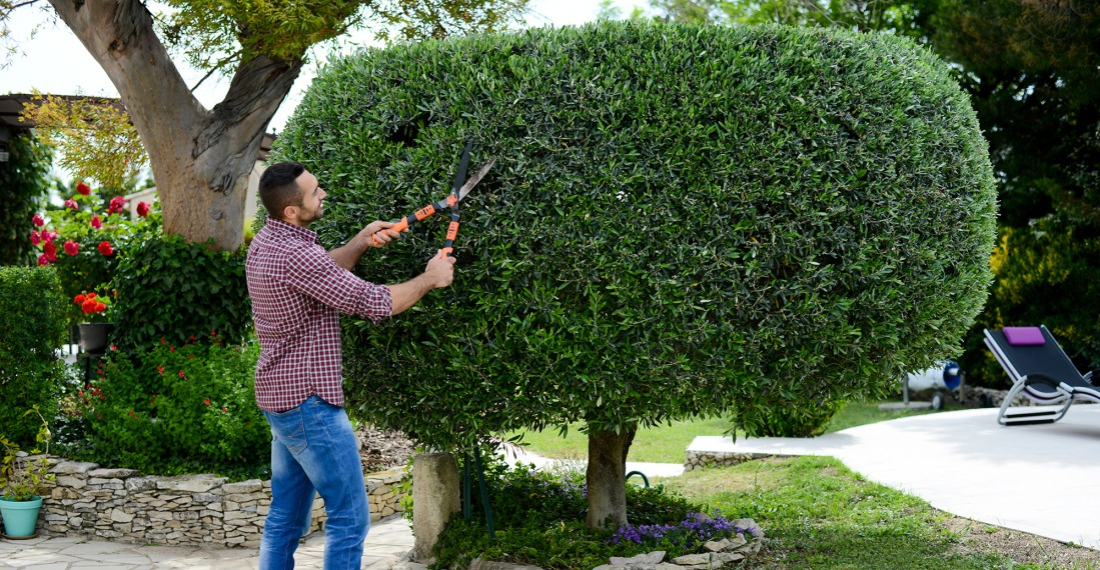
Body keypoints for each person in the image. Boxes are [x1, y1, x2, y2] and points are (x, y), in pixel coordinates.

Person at [245, 161, 455, 570]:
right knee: (350, 518)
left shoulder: (271, 240)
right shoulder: (296, 255)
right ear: (291, 209)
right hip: (309, 404)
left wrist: (360, 242)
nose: (323, 194)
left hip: (281, 397)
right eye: (314, 191)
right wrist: (430, 277)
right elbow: (376, 302)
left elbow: (319, 273)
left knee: (286, 517)